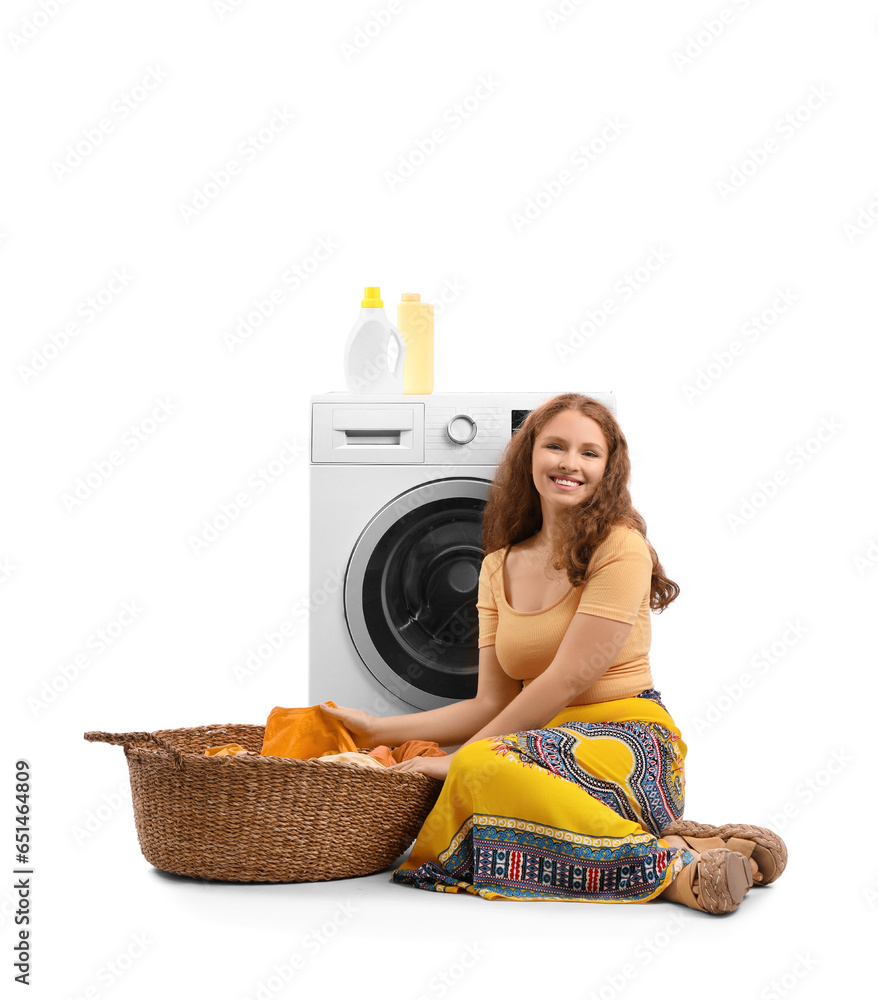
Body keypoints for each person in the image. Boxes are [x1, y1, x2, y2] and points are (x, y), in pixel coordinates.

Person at [321, 393, 787, 913]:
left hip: (630, 742)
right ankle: (688, 846)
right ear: (529, 456)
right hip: (535, 744)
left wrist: (455, 760)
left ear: (609, 469)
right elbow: (489, 705)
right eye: (556, 447)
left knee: (478, 770)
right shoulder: (497, 566)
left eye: (589, 453)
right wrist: (374, 730)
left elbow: (568, 678)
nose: (570, 463)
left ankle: (676, 874)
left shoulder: (620, 547)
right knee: (483, 772)